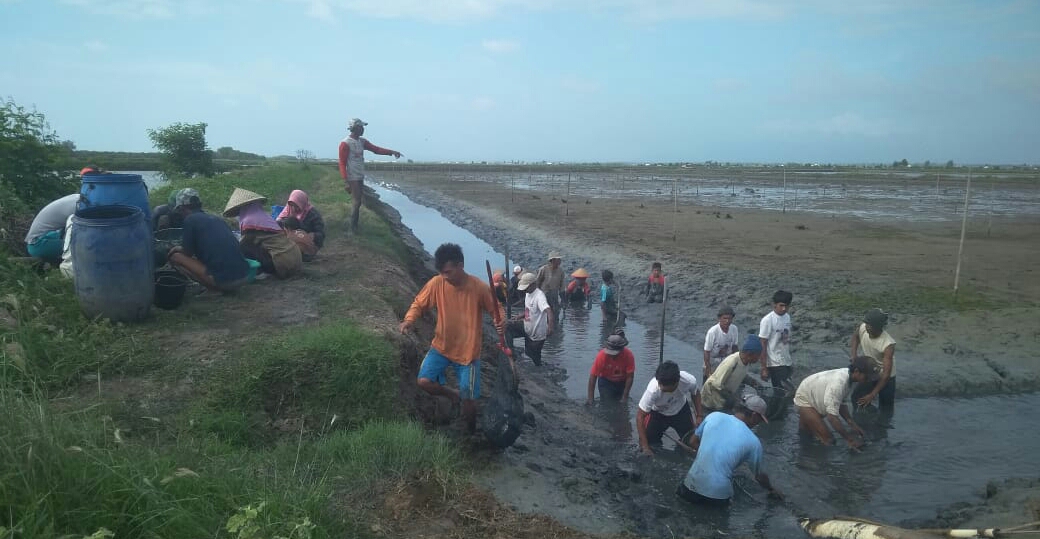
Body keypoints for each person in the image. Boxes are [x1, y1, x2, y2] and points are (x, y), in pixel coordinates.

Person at [399, 243, 505, 432]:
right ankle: (452, 395)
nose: (445, 277)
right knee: (424, 381)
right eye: (442, 272)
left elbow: (497, 310)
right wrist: (409, 320)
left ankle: (471, 430)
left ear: (460, 265)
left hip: (468, 353)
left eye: (448, 272)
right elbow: (419, 303)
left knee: (470, 400)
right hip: (441, 346)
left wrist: (501, 322)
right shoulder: (437, 282)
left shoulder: (478, 287)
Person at [677, 395, 780, 506]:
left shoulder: (713, 416)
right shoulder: (754, 442)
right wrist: (771, 489)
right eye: (760, 420)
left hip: (689, 486)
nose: (758, 423)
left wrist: (706, 454)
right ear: (754, 416)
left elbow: (692, 442)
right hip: (717, 495)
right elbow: (759, 476)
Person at [167, 189, 250, 293]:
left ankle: (213, 289)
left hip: (227, 282)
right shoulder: (216, 219)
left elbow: (187, 253)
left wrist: (176, 248)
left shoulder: (190, 220)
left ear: (182, 208)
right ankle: (217, 285)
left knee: (175, 257)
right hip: (245, 275)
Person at [338, 118, 402, 234]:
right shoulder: (345, 143)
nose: (363, 129)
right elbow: (342, 163)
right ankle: (351, 229)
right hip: (352, 176)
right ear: (355, 128)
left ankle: (354, 226)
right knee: (357, 201)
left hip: (360, 175)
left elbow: (376, 149)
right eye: (361, 127)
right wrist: (346, 181)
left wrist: (391, 152)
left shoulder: (362, 142)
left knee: (358, 201)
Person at [223, 188, 302, 279]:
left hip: (283, 263)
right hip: (295, 259)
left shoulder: (249, 221)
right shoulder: (264, 217)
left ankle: (259, 271)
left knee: (244, 248)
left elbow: (243, 244)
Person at [794, 357, 871, 449]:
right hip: (805, 400)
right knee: (829, 440)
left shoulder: (849, 378)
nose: (869, 380)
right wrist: (849, 439)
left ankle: (805, 451)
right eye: (867, 376)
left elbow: (841, 404)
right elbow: (832, 418)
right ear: (857, 371)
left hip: (812, 394)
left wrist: (852, 424)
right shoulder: (839, 384)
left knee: (806, 434)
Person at [636, 361, 704, 456]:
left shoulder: (688, 380)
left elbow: (695, 393)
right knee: (650, 443)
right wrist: (645, 447)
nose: (661, 387)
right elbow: (640, 417)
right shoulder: (653, 390)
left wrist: (699, 415)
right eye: (660, 384)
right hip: (658, 414)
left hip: (681, 411)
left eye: (665, 388)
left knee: (691, 442)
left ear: (677, 382)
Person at [849, 308, 897, 410]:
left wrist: (872, 395)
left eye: (870, 326)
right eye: (866, 324)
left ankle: (881, 424)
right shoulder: (863, 327)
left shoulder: (888, 344)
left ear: (878, 327)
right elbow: (855, 336)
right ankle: (861, 420)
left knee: (886, 409)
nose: (866, 327)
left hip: (886, 377)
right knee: (856, 398)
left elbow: (886, 374)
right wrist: (854, 355)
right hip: (869, 372)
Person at [701, 335, 763, 412]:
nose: (759, 359)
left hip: (723, 397)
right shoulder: (732, 362)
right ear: (749, 354)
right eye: (758, 356)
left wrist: (753, 382)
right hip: (712, 398)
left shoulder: (746, 362)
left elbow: (740, 374)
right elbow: (716, 385)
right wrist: (732, 398)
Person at [24, 193, 79, 264]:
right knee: (82, 246)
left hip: (38, 241)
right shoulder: (78, 206)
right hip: (38, 245)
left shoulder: (77, 199)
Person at [276, 189, 325, 261]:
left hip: (307, 246)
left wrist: (313, 235)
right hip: (291, 244)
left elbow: (321, 234)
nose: (293, 209)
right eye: (291, 205)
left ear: (302, 203)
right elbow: (279, 223)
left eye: (296, 206)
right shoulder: (287, 211)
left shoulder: (313, 215)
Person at [586, 333, 635, 405]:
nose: (612, 356)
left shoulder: (628, 355)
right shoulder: (601, 356)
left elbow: (630, 377)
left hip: (622, 382)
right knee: (606, 403)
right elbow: (593, 377)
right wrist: (590, 399)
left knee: (622, 405)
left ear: (621, 350)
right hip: (606, 381)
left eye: (614, 354)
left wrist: (625, 396)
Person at [759, 290, 794, 389]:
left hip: (786, 360)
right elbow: (762, 344)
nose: (784, 309)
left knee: (785, 390)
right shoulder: (767, 320)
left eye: (786, 306)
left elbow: (785, 339)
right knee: (783, 390)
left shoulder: (787, 317)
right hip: (774, 363)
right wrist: (764, 368)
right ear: (774, 304)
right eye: (781, 305)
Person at [703, 305, 740, 379]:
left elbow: (735, 347)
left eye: (730, 319)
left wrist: (738, 362)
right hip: (712, 362)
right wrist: (708, 370)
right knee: (709, 386)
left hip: (727, 362)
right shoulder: (712, 332)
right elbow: (707, 352)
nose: (727, 321)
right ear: (719, 318)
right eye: (725, 318)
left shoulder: (734, 329)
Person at [535, 251, 564, 319]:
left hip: (554, 294)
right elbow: (537, 282)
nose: (560, 261)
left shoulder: (560, 271)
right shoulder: (543, 269)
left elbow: (562, 286)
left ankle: (555, 326)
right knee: (544, 313)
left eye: (560, 259)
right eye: (558, 259)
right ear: (553, 260)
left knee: (555, 312)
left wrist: (563, 299)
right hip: (544, 294)